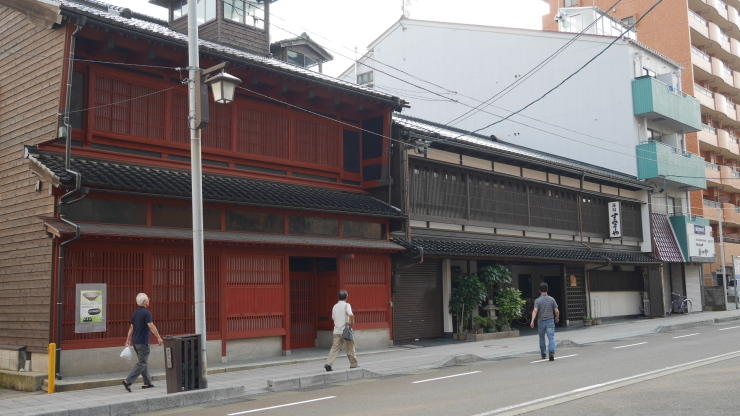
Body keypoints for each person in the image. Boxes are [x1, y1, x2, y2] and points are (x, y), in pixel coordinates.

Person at [122, 293, 163, 392]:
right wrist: (159, 337)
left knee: (143, 361)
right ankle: (128, 381)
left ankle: (147, 382)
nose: (149, 300)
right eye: (148, 299)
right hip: (143, 341)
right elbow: (151, 326)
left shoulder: (134, 313)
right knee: (142, 362)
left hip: (135, 341)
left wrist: (128, 339)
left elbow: (131, 328)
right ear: (144, 301)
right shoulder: (146, 313)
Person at [324, 290, 359, 371]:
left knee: (334, 348)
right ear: (346, 297)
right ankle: (353, 364)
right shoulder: (347, 305)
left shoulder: (335, 306)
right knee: (350, 348)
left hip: (336, 331)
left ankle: (328, 364)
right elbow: (350, 315)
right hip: (345, 331)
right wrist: (351, 325)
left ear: (338, 297)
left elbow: (333, 318)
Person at [530, 282, 559, 361]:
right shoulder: (552, 299)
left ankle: (543, 353)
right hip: (550, 321)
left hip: (541, 321)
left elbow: (535, 311)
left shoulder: (537, 300)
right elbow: (556, 311)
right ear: (547, 289)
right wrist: (557, 317)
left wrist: (532, 321)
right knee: (551, 337)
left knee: (542, 338)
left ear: (539, 290)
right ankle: (551, 352)